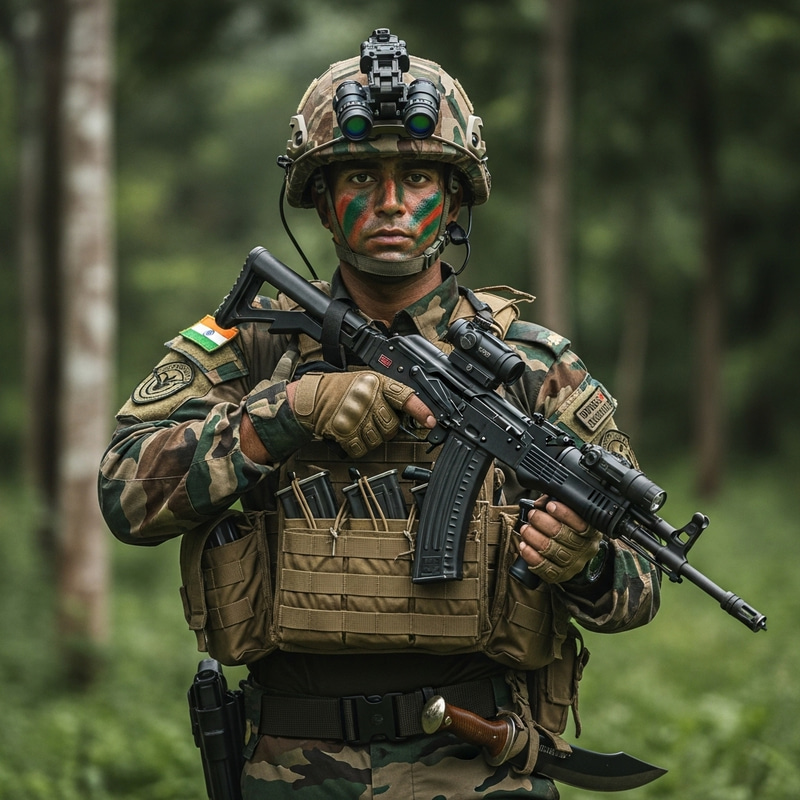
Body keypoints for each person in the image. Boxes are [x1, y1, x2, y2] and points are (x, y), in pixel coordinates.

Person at [99, 28, 660, 800]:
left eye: (420, 178)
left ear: (455, 199)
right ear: (322, 201)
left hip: (480, 758)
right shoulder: (251, 349)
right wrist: (282, 414)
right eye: (360, 174)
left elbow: (641, 581)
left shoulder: (534, 366)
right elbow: (123, 495)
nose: (391, 201)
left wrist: (586, 561)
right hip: (291, 764)